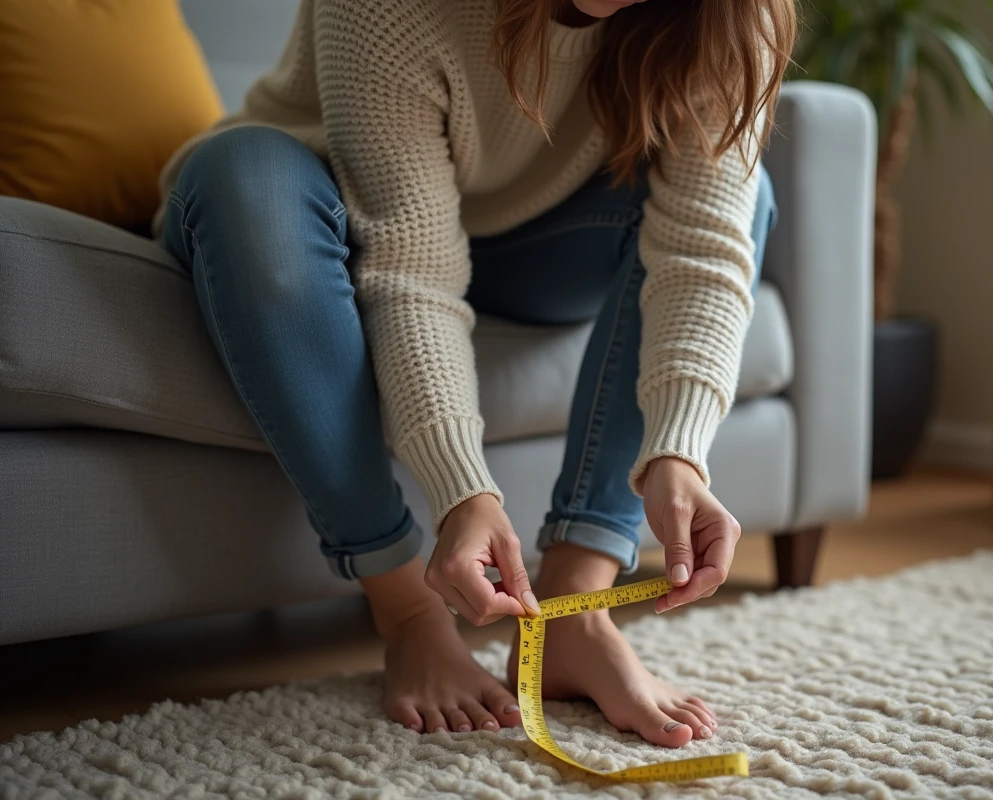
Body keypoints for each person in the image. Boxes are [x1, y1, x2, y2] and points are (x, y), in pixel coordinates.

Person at [156, 0, 794, 748]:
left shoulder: (731, 12)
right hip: (315, 211)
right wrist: (462, 489)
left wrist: (676, 453)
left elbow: (701, 252)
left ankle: (573, 616)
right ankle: (409, 617)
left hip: (525, 244)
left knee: (749, 193)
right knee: (246, 179)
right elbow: (413, 267)